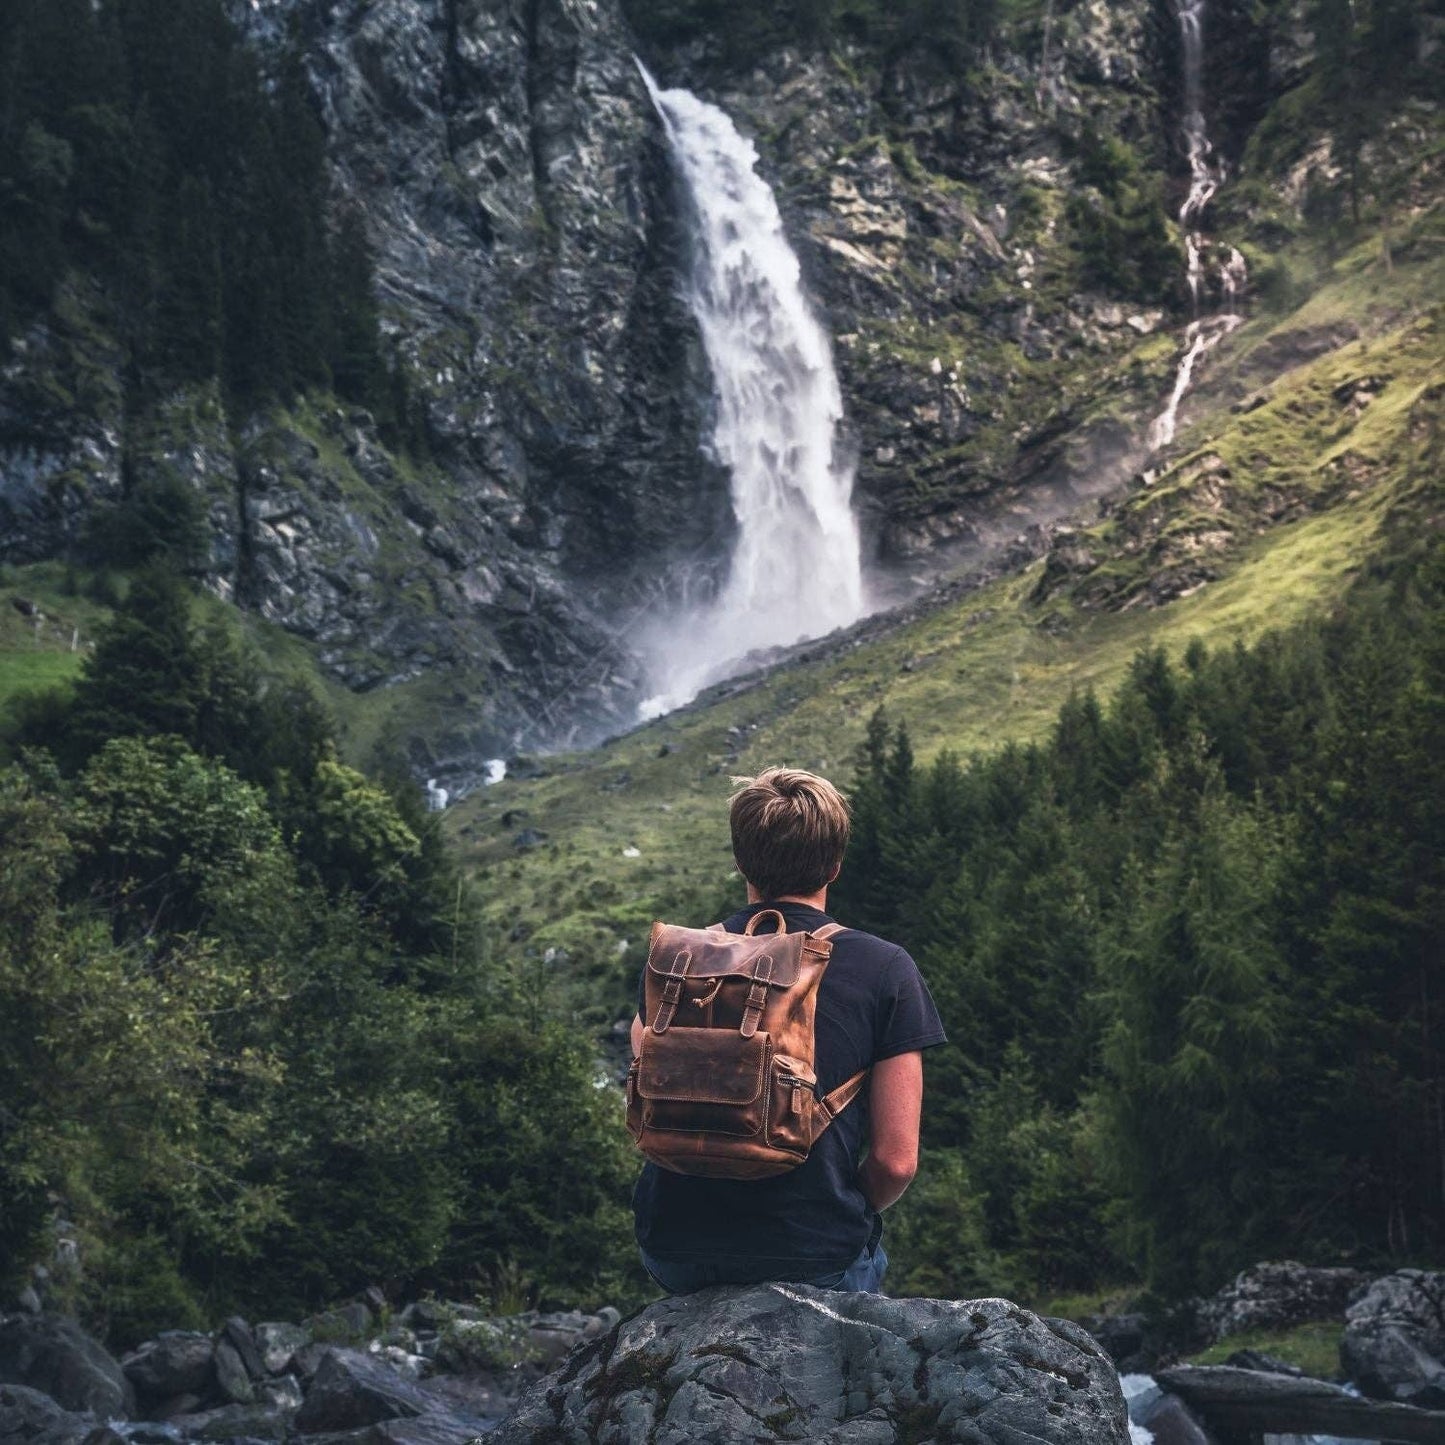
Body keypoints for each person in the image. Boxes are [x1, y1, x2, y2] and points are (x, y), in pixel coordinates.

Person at [630, 766, 947, 1293]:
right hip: (812, 1253)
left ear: (740, 860)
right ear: (835, 865)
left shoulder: (678, 958)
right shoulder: (885, 967)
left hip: (674, 1247)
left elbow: (647, 1105)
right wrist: (841, 1210)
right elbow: (896, 1161)